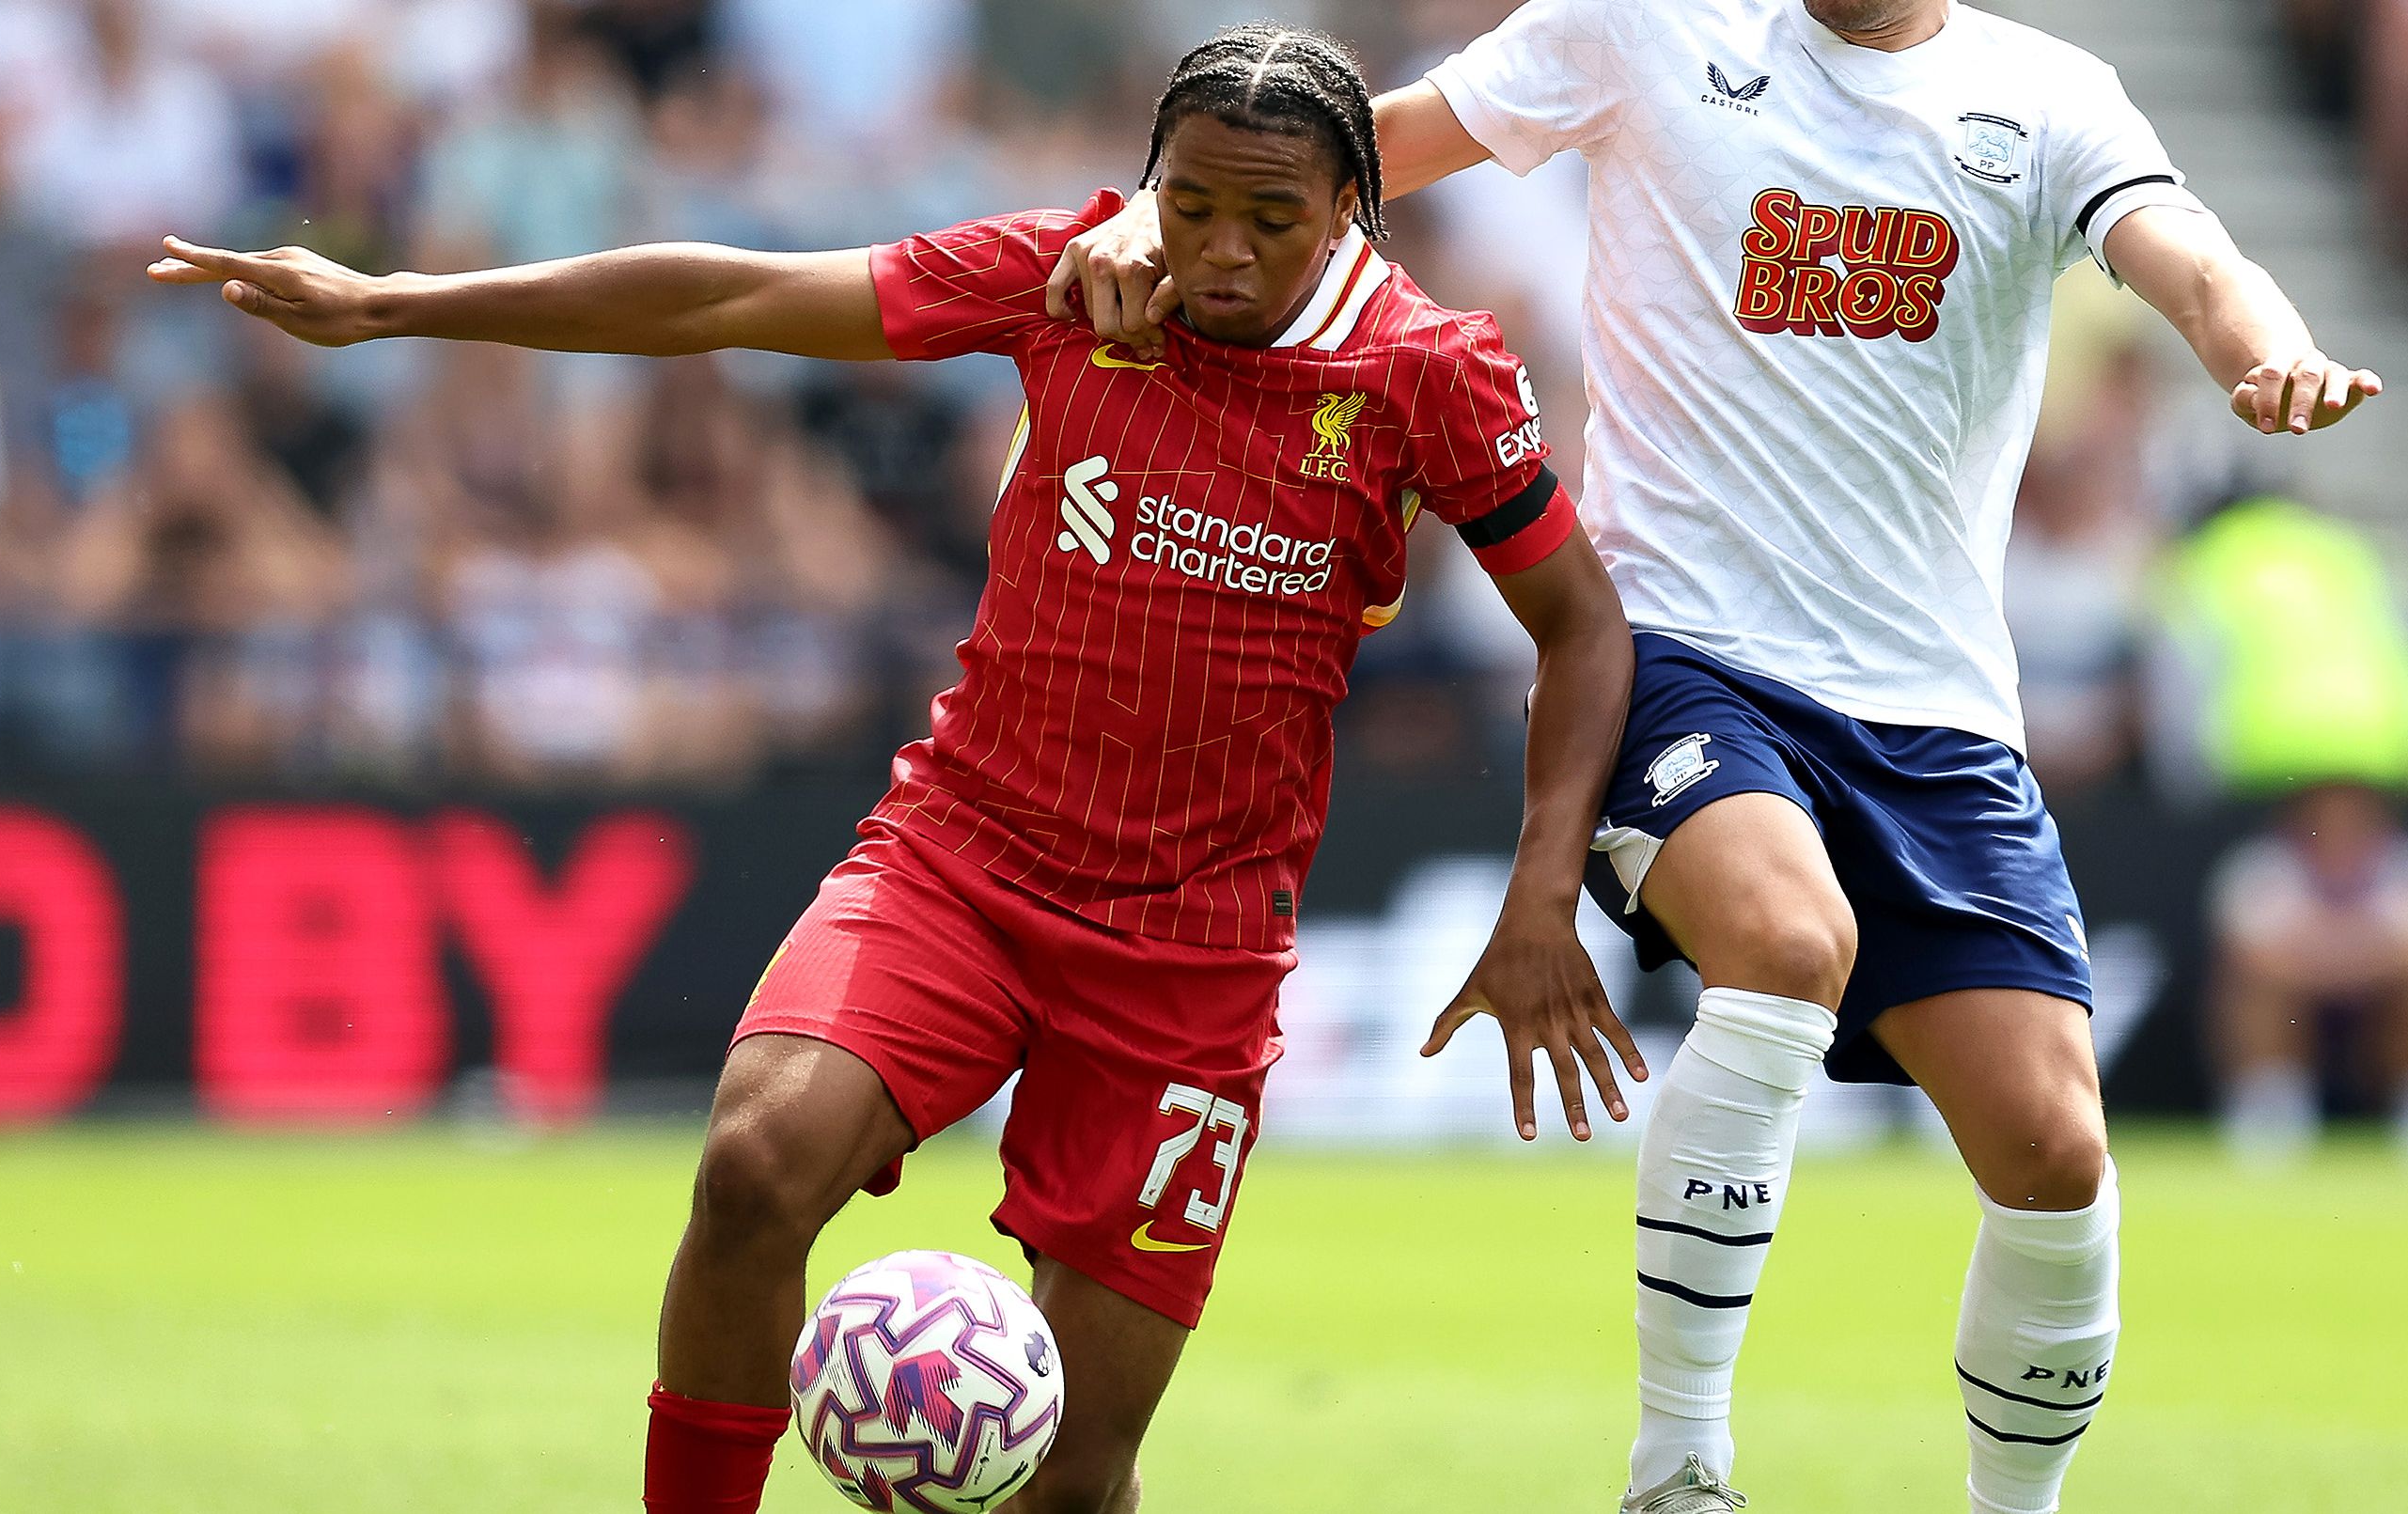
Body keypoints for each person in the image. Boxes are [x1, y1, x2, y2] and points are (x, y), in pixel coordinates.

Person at [153, 23, 1645, 1514]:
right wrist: (406, 301)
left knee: (1072, 1478)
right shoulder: (1064, 280)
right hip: (965, 861)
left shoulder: (1424, 371)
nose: (1225, 253)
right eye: (1191, 206)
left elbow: (1582, 629)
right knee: (751, 1163)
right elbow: (736, 293)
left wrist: (1539, 898)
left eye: (1273, 218)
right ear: (1147, 186)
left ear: (1351, 214)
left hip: (1189, 950)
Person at [1045, 3, 2385, 1513]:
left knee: (2057, 1151)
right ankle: (1679, 1465)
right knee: (1783, 936)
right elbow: (1365, 143)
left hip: (1932, 708)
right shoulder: (1640, 25)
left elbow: (2188, 258)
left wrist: (2267, 350)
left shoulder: (2050, 95)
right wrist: (1127, 233)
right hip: (1682, 647)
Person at [2208, 782, 2408, 1163]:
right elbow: (2256, 956)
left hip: (2379, 1016)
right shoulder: (2263, 864)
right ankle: (2272, 1118)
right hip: (2296, 1011)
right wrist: (2355, 957)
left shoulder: (2397, 862)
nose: (2339, 827)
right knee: (2256, 994)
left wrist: (2326, 957)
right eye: (2325, 817)